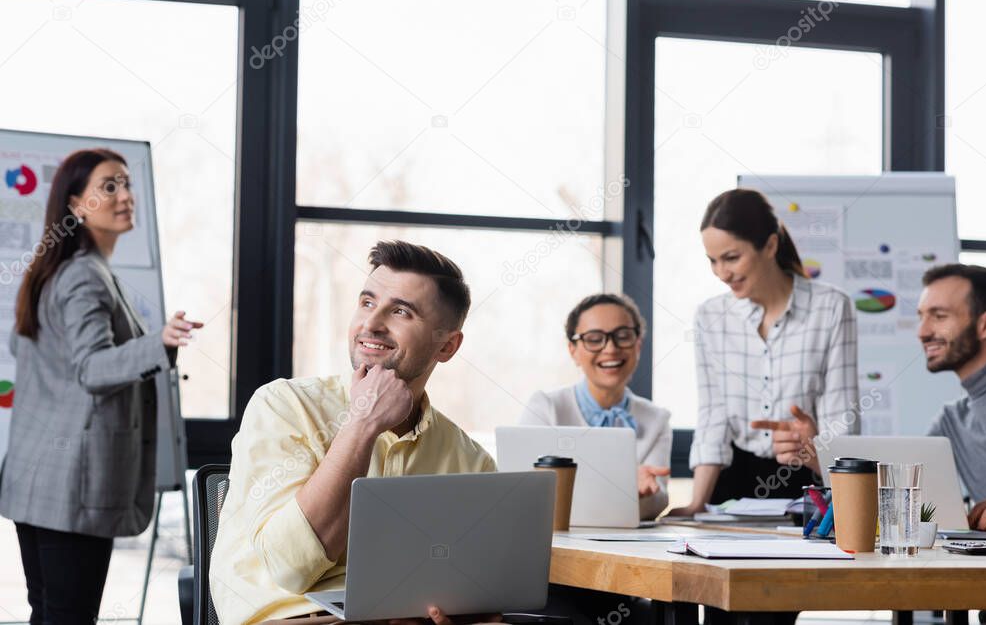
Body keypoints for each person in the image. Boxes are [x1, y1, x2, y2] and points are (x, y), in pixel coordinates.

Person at [210, 241, 499, 625]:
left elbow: (482, 594)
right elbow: (291, 568)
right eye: (366, 302)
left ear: (446, 345)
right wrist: (362, 425)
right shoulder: (284, 405)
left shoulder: (472, 461)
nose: (371, 323)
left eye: (400, 311)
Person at [0, 149, 202, 624]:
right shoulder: (84, 277)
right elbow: (91, 368)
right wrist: (160, 343)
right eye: (109, 186)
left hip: (40, 486)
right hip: (71, 489)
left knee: (50, 614)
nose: (125, 195)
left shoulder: (58, 270)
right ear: (76, 205)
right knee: (68, 617)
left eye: (127, 183)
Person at [670, 188, 859, 517]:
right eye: (712, 261)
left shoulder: (830, 307)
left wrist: (813, 449)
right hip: (730, 486)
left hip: (806, 478)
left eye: (731, 257)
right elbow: (713, 416)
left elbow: (840, 419)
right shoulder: (711, 316)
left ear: (770, 245)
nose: (721, 273)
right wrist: (696, 504)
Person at [519, 293, 671, 520]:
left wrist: (645, 493)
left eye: (623, 336)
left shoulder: (657, 419)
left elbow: (656, 503)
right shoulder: (546, 406)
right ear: (573, 350)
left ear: (638, 345)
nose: (610, 348)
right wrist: (625, 488)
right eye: (594, 338)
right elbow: (525, 494)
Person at [917, 263, 986, 533]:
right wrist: (816, 452)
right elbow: (898, 478)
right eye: (922, 317)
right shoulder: (953, 420)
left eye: (939, 316)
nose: (923, 332)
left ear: (985, 324)